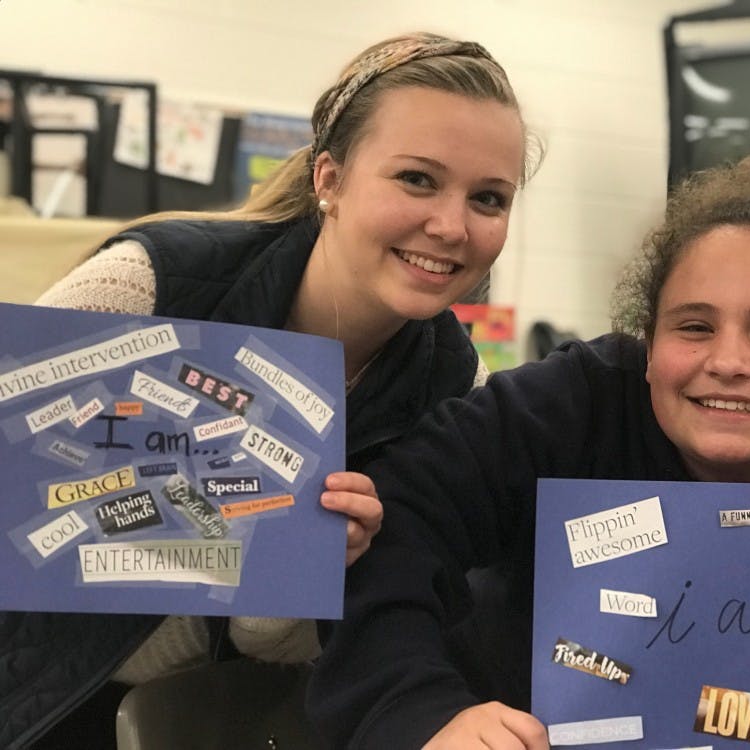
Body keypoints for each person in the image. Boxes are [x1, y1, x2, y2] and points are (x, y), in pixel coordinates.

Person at [307, 156, 750, 749]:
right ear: (648, 345)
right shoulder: (562, 415)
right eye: (694, 326)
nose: (728, 361)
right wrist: (425, 713)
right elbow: (393, 528)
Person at [3, 31, 536, 749]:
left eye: (489, 198)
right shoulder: (152, 284)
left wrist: (304, 565)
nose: (451, 226)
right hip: (40, 699)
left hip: (219, 718)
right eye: (416, 179)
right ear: (330, 180)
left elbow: (279, 647)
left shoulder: (453, 387)